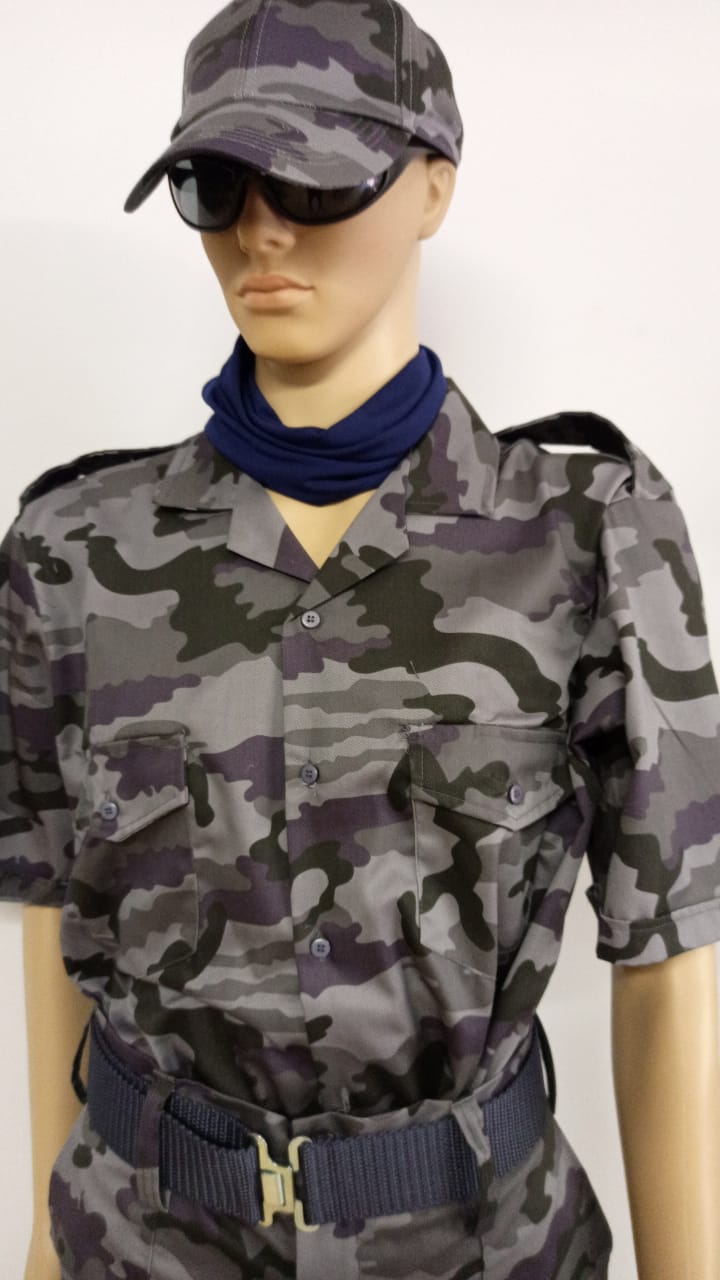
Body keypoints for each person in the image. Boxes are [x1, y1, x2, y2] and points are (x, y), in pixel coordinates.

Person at [2, 1, 719, 1277]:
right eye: (217, 187)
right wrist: (42, 1245)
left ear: (432, 184)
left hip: (482, 1246)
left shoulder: (589, 534)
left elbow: (670, 965)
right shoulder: (71, 551)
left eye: (312, 181)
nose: (261, 230)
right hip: (142, 1242)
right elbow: (53, 920)